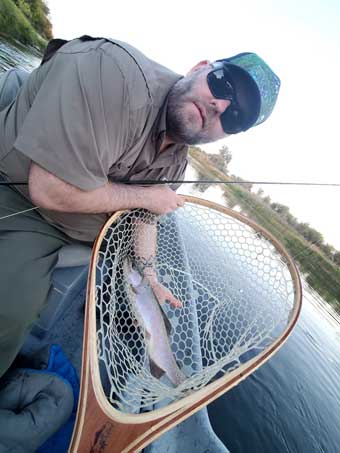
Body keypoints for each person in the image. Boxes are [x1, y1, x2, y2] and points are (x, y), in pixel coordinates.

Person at [0, 35, 280, 380]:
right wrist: (147, 197)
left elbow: (143, 221)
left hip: (86, 228)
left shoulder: (176, 164)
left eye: (235, 117)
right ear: (201, 68)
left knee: (137, 309)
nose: (220, 105)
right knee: (9, 312)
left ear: (228, 135)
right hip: (22, 197)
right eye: (224, 84)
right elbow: (49, 189)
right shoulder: (113, 75)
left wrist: (148, 274)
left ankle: (157, 362)